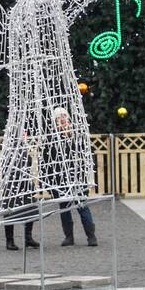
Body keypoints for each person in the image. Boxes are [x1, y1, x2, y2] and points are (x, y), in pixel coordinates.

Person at [47, 106, 97, 247]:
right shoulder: (52, 138)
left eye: (63, 116)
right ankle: (69, 237)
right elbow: (47, 160)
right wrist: (50, 183)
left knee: (82, 207)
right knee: (64, 209)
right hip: (60, 180)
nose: (62, 119)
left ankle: (91, 236)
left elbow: (86, 154)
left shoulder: (77, 134)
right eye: (58, 117)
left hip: (77, 178)